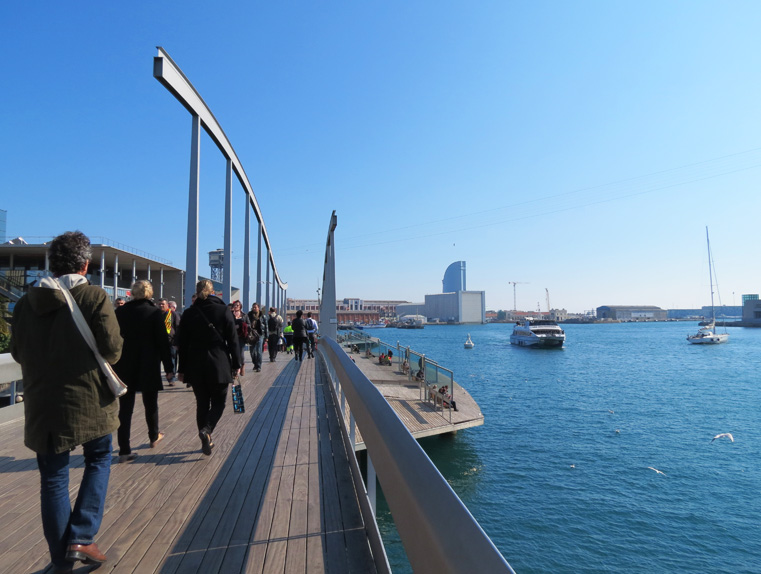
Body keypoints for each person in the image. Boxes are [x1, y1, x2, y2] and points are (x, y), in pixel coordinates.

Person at [10, 231, 123, 572]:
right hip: (90, 399)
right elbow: (113, 349)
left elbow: (17, 352)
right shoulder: (93, 296)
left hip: (43, 402)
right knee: (99, 458)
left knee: (53, 478)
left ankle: (61, 558)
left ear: (51, 264)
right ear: (85, 264)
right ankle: (82, 536)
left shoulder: (25, 303)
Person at [176, 280, 242, 456]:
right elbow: (233, 340)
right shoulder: (223, 311)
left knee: (202, 403)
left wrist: (181, 369)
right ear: (214, 292)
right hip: (218, 362)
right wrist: (237, 364)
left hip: (195, 363)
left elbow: (182, 344)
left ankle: (206, 438)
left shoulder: (189, 313)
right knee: (219, 402)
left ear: (197, 293)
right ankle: (207, 430)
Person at [113, 280, 174, 462]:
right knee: (150, 403)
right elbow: (163, 342)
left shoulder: (120, 312)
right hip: (148, 363)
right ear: (149, 294)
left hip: (125, 364)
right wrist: (169, 368)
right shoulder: (155, 313)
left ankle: (124, 449)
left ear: (132, 293)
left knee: (125, 408)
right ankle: (153, 436)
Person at [158, 298, 180, 384]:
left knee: (172, 360)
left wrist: (177, 341)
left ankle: (171, 378)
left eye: (163, 304)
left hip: (171, 341)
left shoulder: (172, 314)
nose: (161, 306)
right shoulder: (156, 314)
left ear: (167, 305)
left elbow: (178, 327)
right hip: (159, 342)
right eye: (159, 304)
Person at [230, 300, 250, 374]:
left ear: (240, 306)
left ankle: (242, 364)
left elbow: (249, 325)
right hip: (232, 336)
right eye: (235, 305)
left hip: (241, 337)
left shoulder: (244, 315)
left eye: (237, 305)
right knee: (233, 353)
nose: (236, 306)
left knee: (241, 354)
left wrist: (241, 325)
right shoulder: (230, 314)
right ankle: (235, 369)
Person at [247, 302, 266, 372]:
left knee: (259, 351)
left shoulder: (262, 316)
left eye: (256, 307)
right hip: (252, 335)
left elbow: (266, 326)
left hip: (260, 334)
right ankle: (255, 363)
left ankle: (259, 366)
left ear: (258, 308)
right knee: (252, 352)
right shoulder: (249, 315)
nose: (254, 308)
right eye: (253, 307)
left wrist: (266, 337)